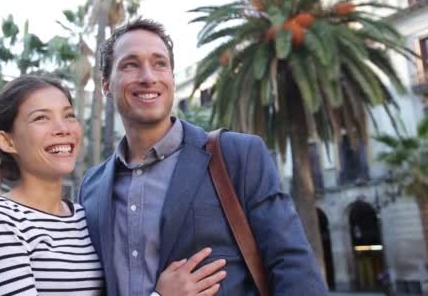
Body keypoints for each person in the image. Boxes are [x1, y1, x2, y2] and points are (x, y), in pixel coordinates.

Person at [78, 18, 328, 295]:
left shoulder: (237, 155)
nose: (148, 76)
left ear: (172, 77)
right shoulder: (92, 187)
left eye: (160, 63)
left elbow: (294, 267)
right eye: (130, 64)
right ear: (106, 85)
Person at [0, 75, 227, 296]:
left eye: (69, 116)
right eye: (41, 118)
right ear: (8, 141)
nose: (63, 128)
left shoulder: (84, 216)